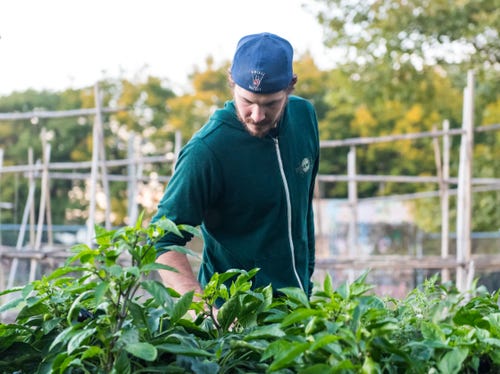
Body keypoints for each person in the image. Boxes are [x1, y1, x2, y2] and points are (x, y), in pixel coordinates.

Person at [151, 32, 319, 302]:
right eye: (247, 101)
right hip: (237, 318)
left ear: (291, 86)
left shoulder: (304, 117)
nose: (257, 115)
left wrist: (307, 283)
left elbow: (302, 209)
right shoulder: (206, 151)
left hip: (298, 309)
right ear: (231, 81)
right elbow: (162, 241)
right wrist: (205, 312)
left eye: (271, 104)